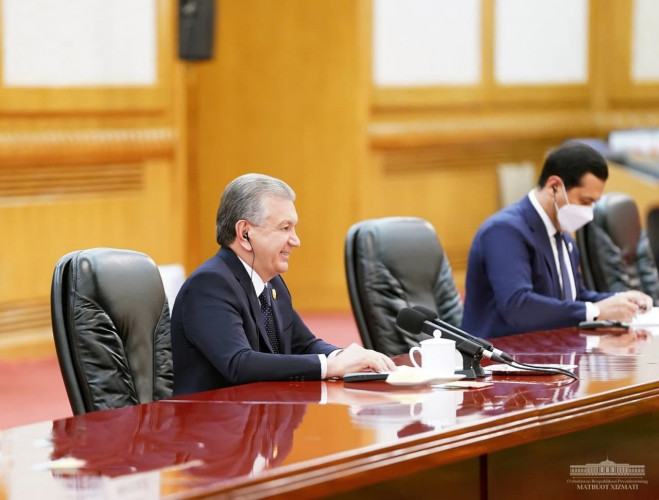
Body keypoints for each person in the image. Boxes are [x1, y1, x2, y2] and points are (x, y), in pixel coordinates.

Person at [171, 173, 395, 395]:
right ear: (245, 233)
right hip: (212, 415)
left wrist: (343, 356)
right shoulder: (209, 284)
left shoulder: (272, 283)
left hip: (262, 411)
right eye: (285, 228)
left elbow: (304, 345)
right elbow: (239, 363)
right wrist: (330, 366)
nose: (295, 241)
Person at [461, 142, 653, 339]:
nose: (589, 212)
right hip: (502, 352)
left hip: (552, 349)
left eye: (593, 204)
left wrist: (620, 300)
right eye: (585, 201)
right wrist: (594, 311)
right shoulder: (504, 231)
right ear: (554, 187)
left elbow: (575, 298)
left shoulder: (564, 238)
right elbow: (518, 307)